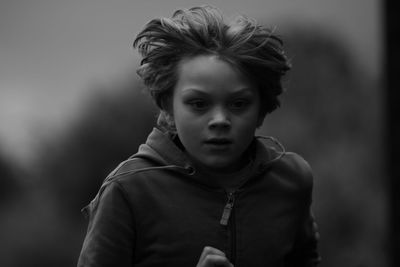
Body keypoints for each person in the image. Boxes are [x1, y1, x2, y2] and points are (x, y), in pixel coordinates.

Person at [77, 5, 321, 267]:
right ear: (168, 107)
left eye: (238, 104)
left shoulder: (291, 180)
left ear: (262, 108)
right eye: (199, 104)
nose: (220, 120)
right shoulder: (128, 191)